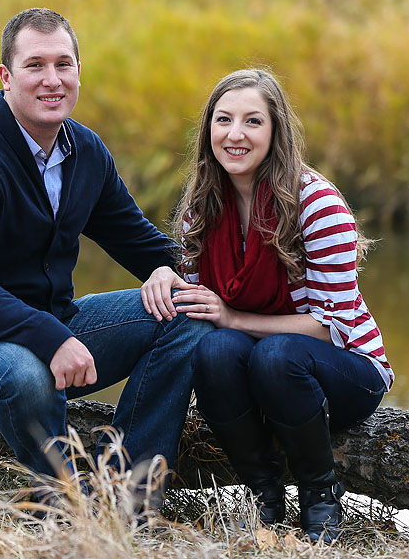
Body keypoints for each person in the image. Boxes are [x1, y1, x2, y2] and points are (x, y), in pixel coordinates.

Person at [0, 8, 211, 494]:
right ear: (6, 77)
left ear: (78, 72)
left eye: (64, 65)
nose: (53, 80)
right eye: (35, 65)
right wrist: (51, 338)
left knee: (186, 313)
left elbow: (138, 239)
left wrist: (177, 272)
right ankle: (63, 504)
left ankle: (129, 491)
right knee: (26, 370)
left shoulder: (84, 152)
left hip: (54, 325)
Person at [141, 68, 394, 542]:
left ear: (275, 132)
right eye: (223, 120)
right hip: (261, 374)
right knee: (211, 352)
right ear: (208, 131)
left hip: (345, 370)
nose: (235, 134)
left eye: (253, 122)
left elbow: (330, 327)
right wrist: (163, 275)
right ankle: (265, 493)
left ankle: (320, 496)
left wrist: (233, 317)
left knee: (275, 355)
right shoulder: (200, 208)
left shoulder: (316, 204)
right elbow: (202, 311)